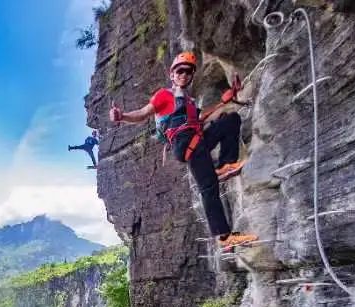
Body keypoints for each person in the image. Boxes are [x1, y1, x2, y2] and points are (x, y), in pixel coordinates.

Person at [109, 51, 258, 249]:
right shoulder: (165, 95)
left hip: (197, 139)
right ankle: (224, 237)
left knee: (230, 120)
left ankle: (225, 165)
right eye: (180, 71)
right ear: (172, 74)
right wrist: (122, 116)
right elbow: (143, 113)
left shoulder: (189, 102)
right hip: (185, 143)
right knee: (208, 188)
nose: (184, 75)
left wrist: (228, 101)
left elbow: (204, 118)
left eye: (188, 72)